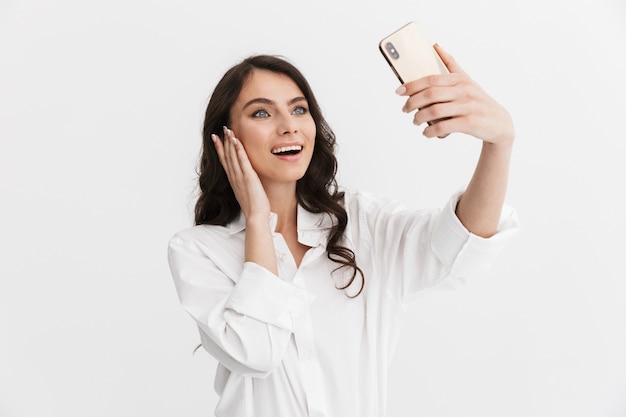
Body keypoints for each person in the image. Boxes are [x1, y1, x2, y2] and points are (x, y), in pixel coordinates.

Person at [168, 46, 519, 417]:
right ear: (225, 138)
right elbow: (256, 353)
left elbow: (460, 246)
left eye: (299, 109)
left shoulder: (362, 222)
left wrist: (498, 144)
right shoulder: (199, 251)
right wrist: (258, 218)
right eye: (261, 112)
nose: (289, 125)